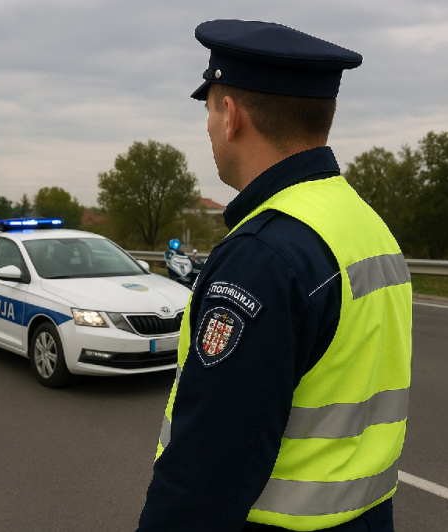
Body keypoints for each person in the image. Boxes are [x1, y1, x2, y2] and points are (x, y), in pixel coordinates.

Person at [137, 20, 412, 532]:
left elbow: (206, 470)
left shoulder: (264, 255)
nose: (208, 129)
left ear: (231, 114)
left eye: (209, 110)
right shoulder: (368, 225)